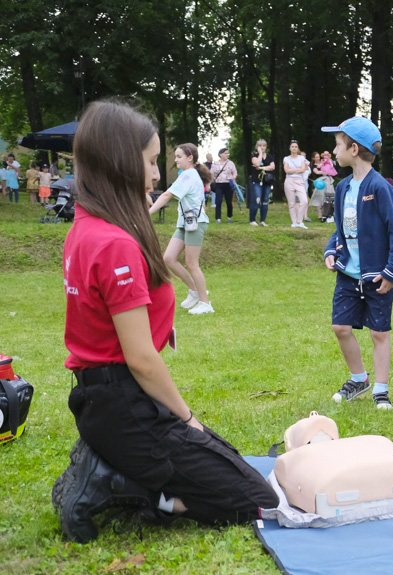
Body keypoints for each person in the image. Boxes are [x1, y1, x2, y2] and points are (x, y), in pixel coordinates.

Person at [52, 100, 277, 544]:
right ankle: (117, 482)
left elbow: (110, 320)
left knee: (229, 462)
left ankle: (117, 466)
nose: (157, 175)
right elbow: (140, 360)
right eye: (152, 162)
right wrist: (187, 417)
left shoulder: (87, 225)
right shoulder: (113, 243)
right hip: (126, 406)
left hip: (105, 402)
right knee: (256, 500)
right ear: (119, 162)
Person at [322, 117, 393, 409]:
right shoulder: (343, 187)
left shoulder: (381, 188)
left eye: (337, 144)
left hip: (377, 275)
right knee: (340, 327)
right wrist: (332, 250)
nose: (334, 151)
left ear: (354, 149)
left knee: (378, 333)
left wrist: (392, 272)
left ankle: (380, 390)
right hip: (347, 274)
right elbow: (341, 229)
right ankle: (359, 379)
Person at [148, 143, 214, 315]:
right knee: (169, 258)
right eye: (176, 156)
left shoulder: (189, 175)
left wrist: (148, 213)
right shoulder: (188, 175)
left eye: (179, 156)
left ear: (190, 158)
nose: (175, 159)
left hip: (195, 224)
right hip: (186, 224)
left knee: (192, 264)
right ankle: (194, 291)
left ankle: (205, 303)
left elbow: (167, 195)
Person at [250, 139, 275, 226]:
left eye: (264, 146)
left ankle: (262, 220)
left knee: (265, 200)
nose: (262, 147)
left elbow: (272, 167)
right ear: (257, 147)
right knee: (257, 199)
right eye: (260, 146)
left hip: (267, 182)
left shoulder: (269, 156)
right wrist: (260, 154)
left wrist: (261, 168)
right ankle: (252, 220)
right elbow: (257, 163)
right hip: (257, 181)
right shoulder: (254, 156)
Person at [283, 140, 308, 229]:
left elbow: (303, 169)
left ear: (298, 148)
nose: (294, 148)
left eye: (296, 147)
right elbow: (286, 170)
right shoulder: (286, 158)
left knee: (304, 200)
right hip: (289, 181)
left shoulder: (301, 158)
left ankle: (299, 221)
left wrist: (292, 170)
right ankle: (294, 222)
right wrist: (297, 169)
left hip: (299, 180)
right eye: (292, 146)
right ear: (290, 148)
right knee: (291, 202)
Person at [210, 148, 237, 223]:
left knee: (229, 201)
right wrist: (211, 182)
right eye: (225, 153)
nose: (227, 155)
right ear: (220, 154)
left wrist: (233, 178)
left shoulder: (231, 163)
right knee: (218, 201)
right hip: (219, 184)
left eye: (228, 153)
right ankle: (218, 218)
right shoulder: (215, 164)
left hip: (228, 184)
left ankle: (229, 217)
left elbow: (234, 172)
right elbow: (212, 174)